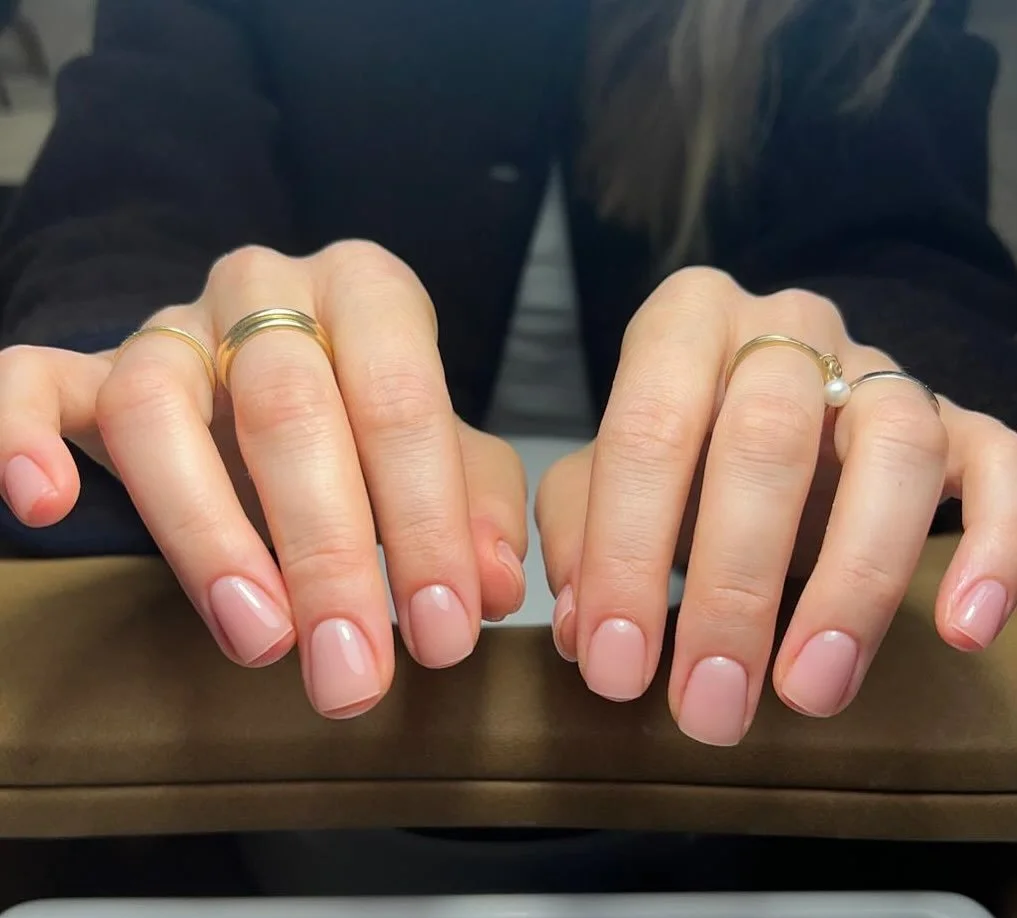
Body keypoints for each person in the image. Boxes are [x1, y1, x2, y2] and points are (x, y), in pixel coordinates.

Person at [0, 0, 1014, 749]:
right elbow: (123, 202)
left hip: (752, 740)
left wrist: (849, 397)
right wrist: (166, 367)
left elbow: (913, 250)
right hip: (276, 702)